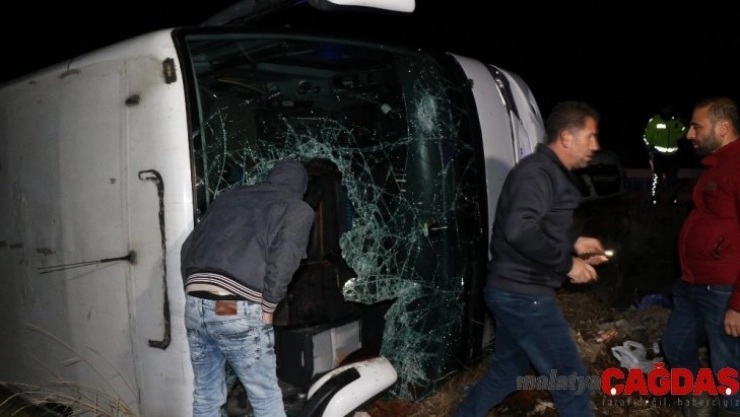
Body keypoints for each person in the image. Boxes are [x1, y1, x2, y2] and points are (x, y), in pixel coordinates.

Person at [454, 101, 608, 417]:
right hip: (524, 296)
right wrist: (568, 264)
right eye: (590, 136)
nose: (596, 145)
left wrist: (574, 241)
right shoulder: (538, 173)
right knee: (572, 382)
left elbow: (538, 224)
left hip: (514, 293)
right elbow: (520, 230)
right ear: (566, 137)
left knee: (507, 372)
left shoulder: (548, 172)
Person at [180, 159, 315, 417]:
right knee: (265, 397)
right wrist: (269, 305)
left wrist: (192, 289)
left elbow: (188, 247)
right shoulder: (296, 208)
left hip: (198, 306)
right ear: (301, 187)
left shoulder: (228, 198)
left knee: (206, 395)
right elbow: (285, 259)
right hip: (231, 307)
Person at [661, 97, 740, 417]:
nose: (689, 134)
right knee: (675, 346)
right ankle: (700, 405)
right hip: (693, 284)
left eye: (696, 127)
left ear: (723, 128)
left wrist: (738, 304)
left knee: (729, 370)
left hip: (723, 289)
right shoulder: (716, 167)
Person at [643, 104, 687, 204]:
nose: (666, 110)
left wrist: (682, 124)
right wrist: (649, 148)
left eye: (668, 108)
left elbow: (683, 133)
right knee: (658, 178)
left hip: (673, 156)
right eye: (664, 108)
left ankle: (672, 200)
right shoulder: (654, 121)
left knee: (672, 178)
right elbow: (646, 137)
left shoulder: (676, 121)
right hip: (659, 155)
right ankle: (656, 199)